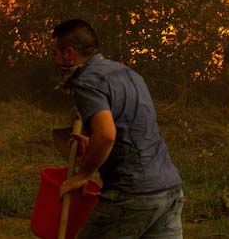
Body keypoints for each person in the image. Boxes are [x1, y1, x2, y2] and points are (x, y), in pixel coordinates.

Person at [52, 19, 184, 239]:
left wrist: (82, 175)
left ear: (69, 54)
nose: (54, 60)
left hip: (132, 194)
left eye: (54, 53)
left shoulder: (87, 82)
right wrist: (91, 142)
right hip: (169, 189)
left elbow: (106, 134)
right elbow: (132, 130)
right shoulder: (128, 73)